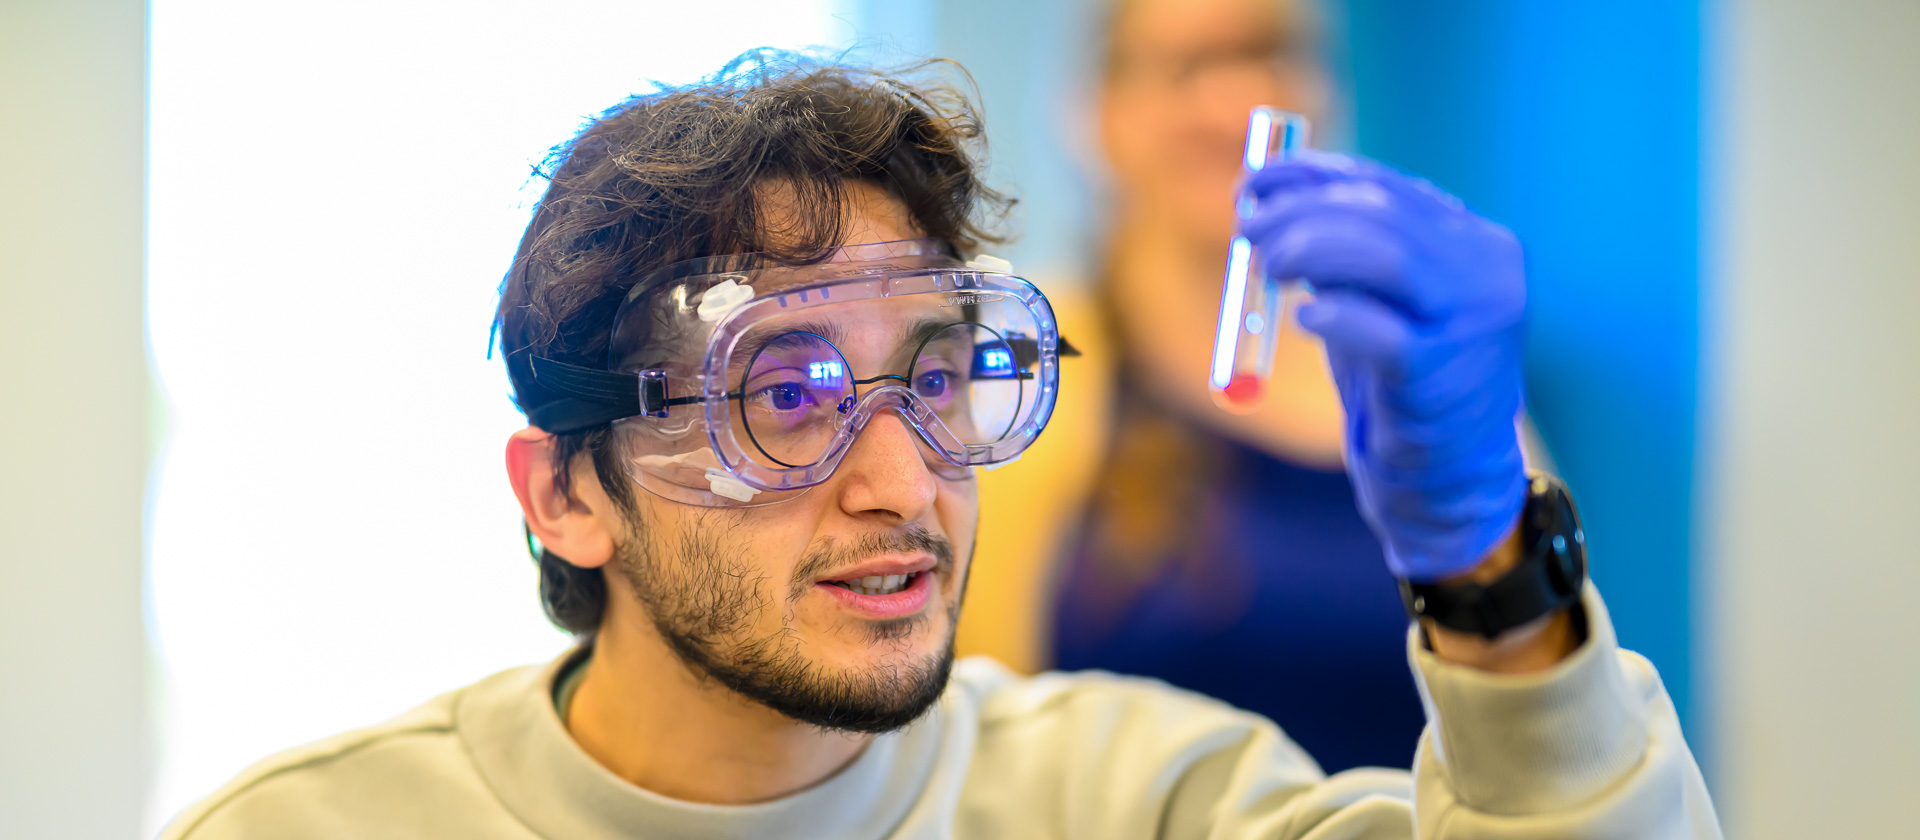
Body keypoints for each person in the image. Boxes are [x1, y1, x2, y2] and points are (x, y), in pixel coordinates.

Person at [160, 53, 1719, 839]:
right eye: (784, 396)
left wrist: (1490, 570)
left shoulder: (1140, 797)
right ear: (567, 495)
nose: (904, 482)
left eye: (938, 379)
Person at [965, 0, 1509, 772]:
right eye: (1186, 67)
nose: (1232, 103)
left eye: (1269, 54)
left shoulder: (1410, 372)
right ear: (1099, 112)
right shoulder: (1021, 364)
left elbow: (1540, 675)